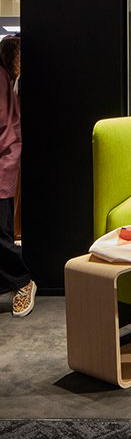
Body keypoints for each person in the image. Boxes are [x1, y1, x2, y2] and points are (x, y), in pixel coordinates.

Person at [0, 36, 36, 317]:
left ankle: (22, 282)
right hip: (7, 160)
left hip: (3, 162)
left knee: (0, 233)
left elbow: (5, 125)